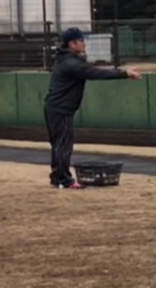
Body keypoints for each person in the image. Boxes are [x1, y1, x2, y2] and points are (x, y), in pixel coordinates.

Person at [45, 27, 141, 189]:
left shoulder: (65, 60)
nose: (84, 43)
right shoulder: (70, 64)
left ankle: (58, 177)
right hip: (60, 109)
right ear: (72, 44)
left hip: (56, 107)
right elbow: (94, 73)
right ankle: (63, 179)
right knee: (63, 144)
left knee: (59, 144)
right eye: (81, 40)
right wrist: (124, 74)